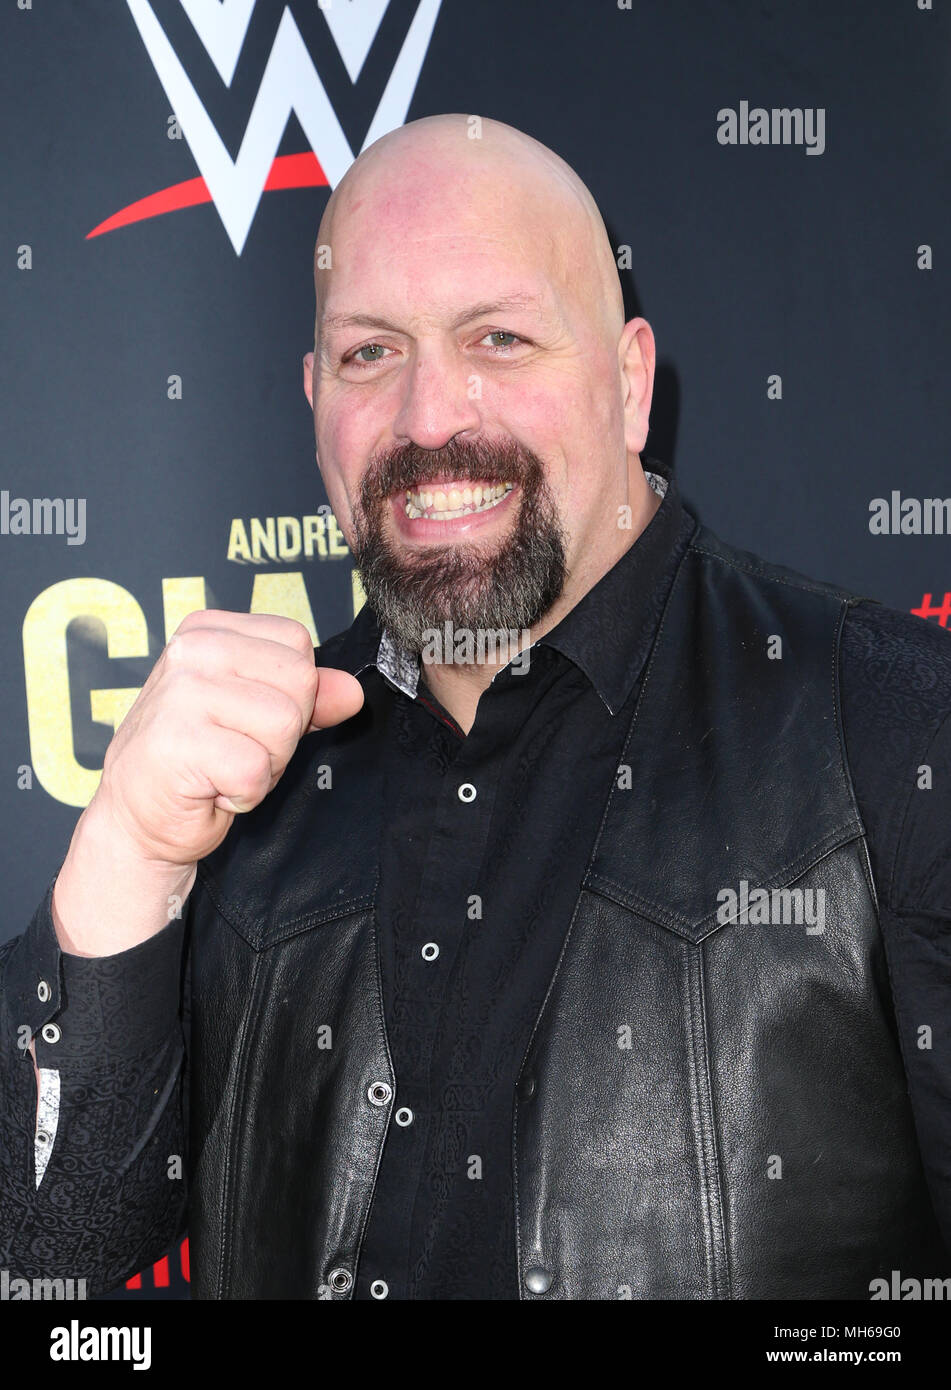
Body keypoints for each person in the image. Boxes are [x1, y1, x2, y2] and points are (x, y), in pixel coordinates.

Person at [2, 113, 949, 1300]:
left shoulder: (895, 721)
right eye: (369, 354)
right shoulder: (240, 780)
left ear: (630, 381)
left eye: (498, 338)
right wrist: (126, 861)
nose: (430, 417)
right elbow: (50, 1257)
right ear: (312, 400)